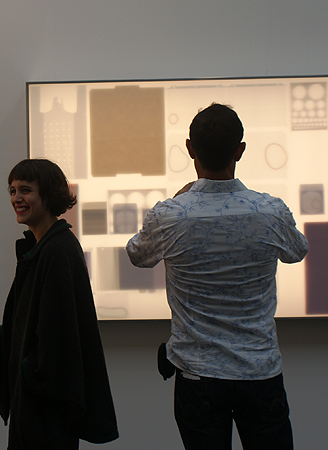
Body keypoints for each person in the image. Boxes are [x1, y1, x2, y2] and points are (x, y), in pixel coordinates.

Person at [126, 103, 309, 450]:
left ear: (190, 149)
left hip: (197, 375)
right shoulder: (270, 211)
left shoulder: (170, 215)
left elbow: (138, 255)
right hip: (259, 370)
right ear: (240, 150)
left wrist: (178, 200)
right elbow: (296, 251)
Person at [0, 158, 119, 450]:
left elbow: (56, 337)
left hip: (44, 412)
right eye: (12, 190)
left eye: (26, 190)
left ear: (49, 195)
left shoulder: (56, 251)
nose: (16, 198)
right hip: (37, 408)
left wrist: (29, 376)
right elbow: (32, 318)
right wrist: (3, 338)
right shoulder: (43, 247)